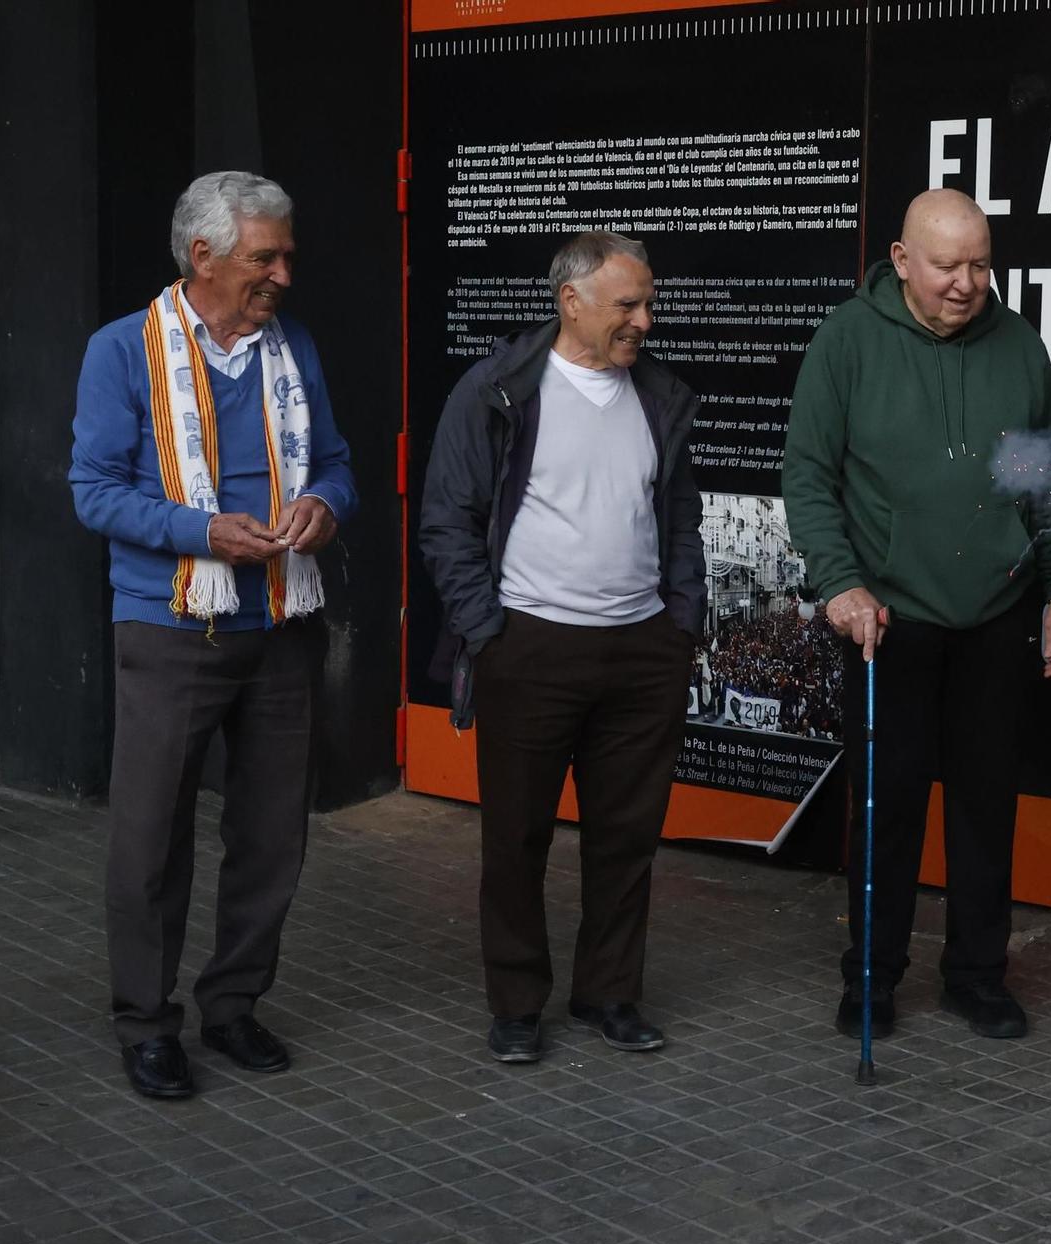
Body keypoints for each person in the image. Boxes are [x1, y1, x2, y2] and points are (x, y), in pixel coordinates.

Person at [70, 170, 358, 1099]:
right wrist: (203, 532)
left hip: (282, 620)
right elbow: (95, 491)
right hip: (169, 627)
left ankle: (232, 1004)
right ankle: (147, 1022)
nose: (282, 273)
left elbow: (340, 463)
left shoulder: (293, 347)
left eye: (286, 255)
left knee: (273, 835)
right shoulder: (122, 351)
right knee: (150, 840)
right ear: (203, 254)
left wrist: (323, 502)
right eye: (263, 255)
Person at [783, 187, 1051, 1042]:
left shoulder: (1017, 344)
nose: (967, 283)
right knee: (887, 803)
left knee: (987, 804)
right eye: (948, 265)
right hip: (888, 614)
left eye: (981, 263)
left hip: (997, 610)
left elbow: (1044, 485)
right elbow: (807, 473)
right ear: (903, 261)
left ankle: (977, 975)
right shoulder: (848, 339)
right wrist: (838, 583)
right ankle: (872, 975)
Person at [419, 231, 704, 1065]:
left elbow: (680, 515)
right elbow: (448, 521)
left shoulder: (658, 396)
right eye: (628, 305)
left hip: (641, 649)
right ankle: (515, 1002)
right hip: (529, 647)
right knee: (516, 837)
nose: (644, 321)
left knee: (627, 835)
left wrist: (677, 619)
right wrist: (488, 629)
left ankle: (610, 991)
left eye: (648, 304)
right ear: (570, 300)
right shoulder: (498, 390)